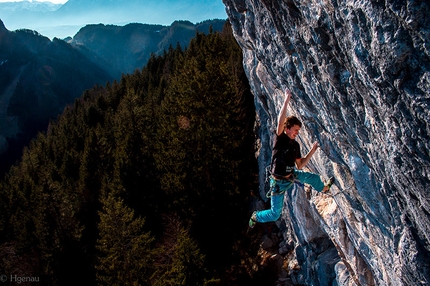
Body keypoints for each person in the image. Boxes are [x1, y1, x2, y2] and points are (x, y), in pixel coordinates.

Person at [249, 89, 334, 228]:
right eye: (295, 130)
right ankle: (256, 216)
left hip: (291, 176)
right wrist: (286, 99)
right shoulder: (280, 140)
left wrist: (313, 150)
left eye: (298, 131)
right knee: (275, 214)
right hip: (277, 183)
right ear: (287, 128)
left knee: (312, 177)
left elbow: (300, 165)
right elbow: (281, 120)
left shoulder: (296, 145)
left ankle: (324, 188)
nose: (297, 133)